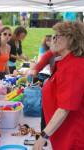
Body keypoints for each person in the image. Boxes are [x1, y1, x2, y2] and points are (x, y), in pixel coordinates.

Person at [33, 21, 84, 150]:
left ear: (71, 39)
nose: (53, 39)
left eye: (57, 36)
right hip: (63, 133)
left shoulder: (73, 66)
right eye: (53, 35)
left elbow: (64, 109)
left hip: (73, 137)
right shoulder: (65, 61)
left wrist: (43, 136)